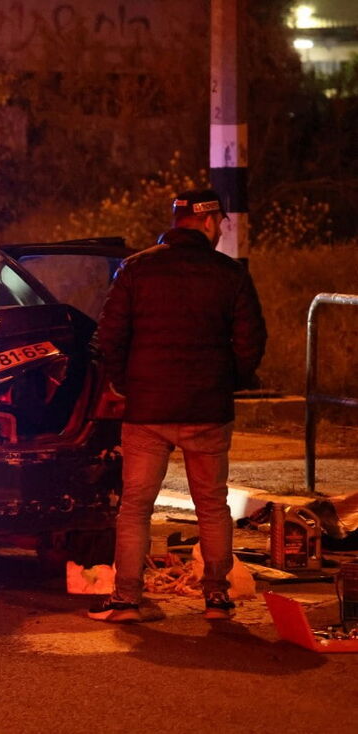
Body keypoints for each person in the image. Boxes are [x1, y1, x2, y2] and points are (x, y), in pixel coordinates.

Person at [90, 189, 267, 623]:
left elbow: (108, 337)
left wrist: (126, 384)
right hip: (207, 409)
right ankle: (217, 599)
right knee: (212, 505)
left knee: (136, 507)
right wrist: (228, 382)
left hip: (147, 411)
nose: (221, 229)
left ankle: (126, 600)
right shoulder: (230, 274)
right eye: (220, 222)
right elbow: (251, 341)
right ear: (208, 222)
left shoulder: (136, 268)